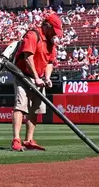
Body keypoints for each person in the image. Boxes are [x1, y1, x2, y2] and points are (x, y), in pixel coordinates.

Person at [11, 13, 63, 152]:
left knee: (35, 109)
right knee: (21, 105)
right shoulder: (33, 35)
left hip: (38, 77)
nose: (55, 34)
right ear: (47, 26)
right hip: (23, 75)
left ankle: (29, 140)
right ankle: (16, 140)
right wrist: (36, 77)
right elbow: (28, 58)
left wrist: (47, 78)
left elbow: (50, 62)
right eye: (54, 30)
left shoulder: (51, 42)